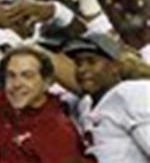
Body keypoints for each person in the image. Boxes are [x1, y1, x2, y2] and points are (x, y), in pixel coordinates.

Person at [0, 4, 93, 163]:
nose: (17, 84)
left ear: (46, 82)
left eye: (27, 76)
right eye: (11, 76)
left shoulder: (56, 130)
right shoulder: (8, 109)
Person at [63, 33, 150, 163]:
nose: (82, 69)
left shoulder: (132, 93)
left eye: (91, 61)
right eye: (78, 63)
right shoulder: (84, 106)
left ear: (115, 66)